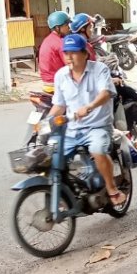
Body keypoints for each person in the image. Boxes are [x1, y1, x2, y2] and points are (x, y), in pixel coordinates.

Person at [48, 34, 126, 206]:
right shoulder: (61, 75)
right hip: (72, 129)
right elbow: (59, 106)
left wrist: (89, 107)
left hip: (97, 126)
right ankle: (62, 193)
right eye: (65, 53)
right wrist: (45, 122)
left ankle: (112, 188)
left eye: (73, 52)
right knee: (52, 156)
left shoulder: (99, 69)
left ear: (84, 54)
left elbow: (105, 93)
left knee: (97, 149)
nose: (68, 57)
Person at [38, 11, 71, 92]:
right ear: (57, 28)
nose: (69, 27)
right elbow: (70, 64)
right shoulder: (59, 43)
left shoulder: (48, 39)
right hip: (56, 82)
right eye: (66, 25)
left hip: (47, 81)